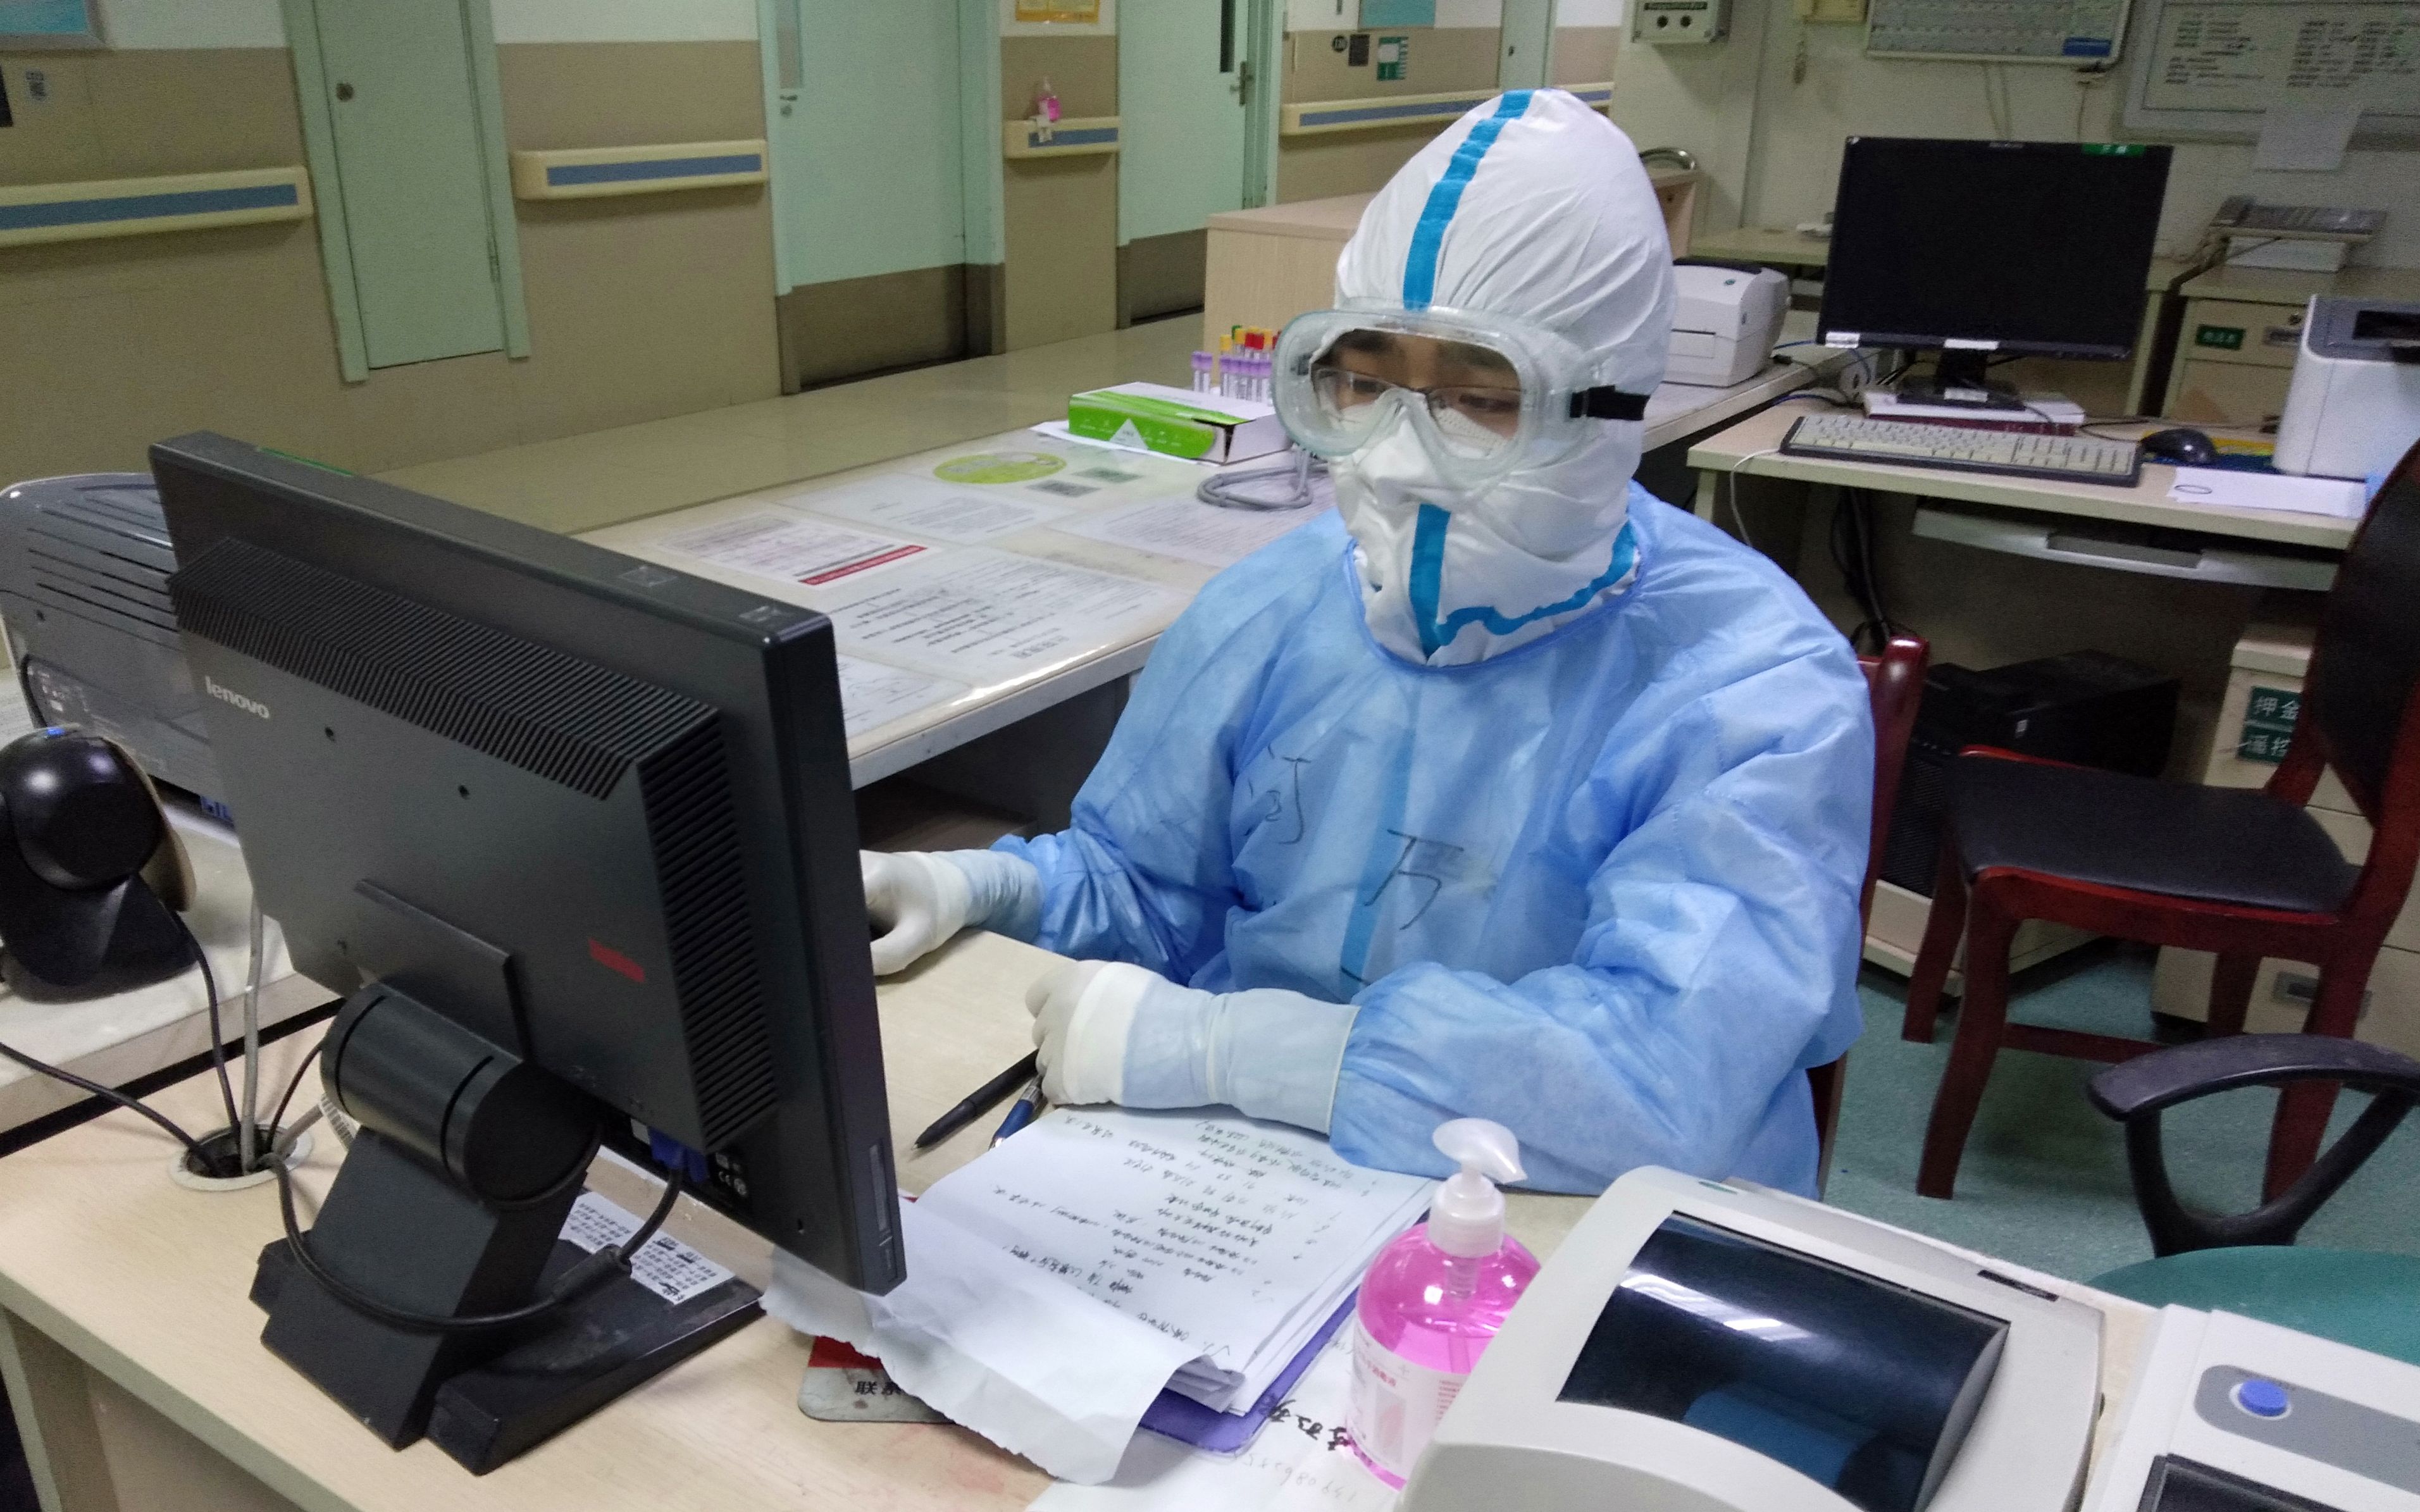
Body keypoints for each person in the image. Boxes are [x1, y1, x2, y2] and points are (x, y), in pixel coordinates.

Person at [862, 89, 1872, 1196]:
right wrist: (978, 888)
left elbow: (1662, 1080)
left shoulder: (1750, 684)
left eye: (1481, 397)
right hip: (1255, 1178)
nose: (1395, 458)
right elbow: (1148, 885)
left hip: (1565, 1220)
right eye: (1363, 382)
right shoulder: (1273, 607)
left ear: (1607, 408)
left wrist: (1226, 1050)